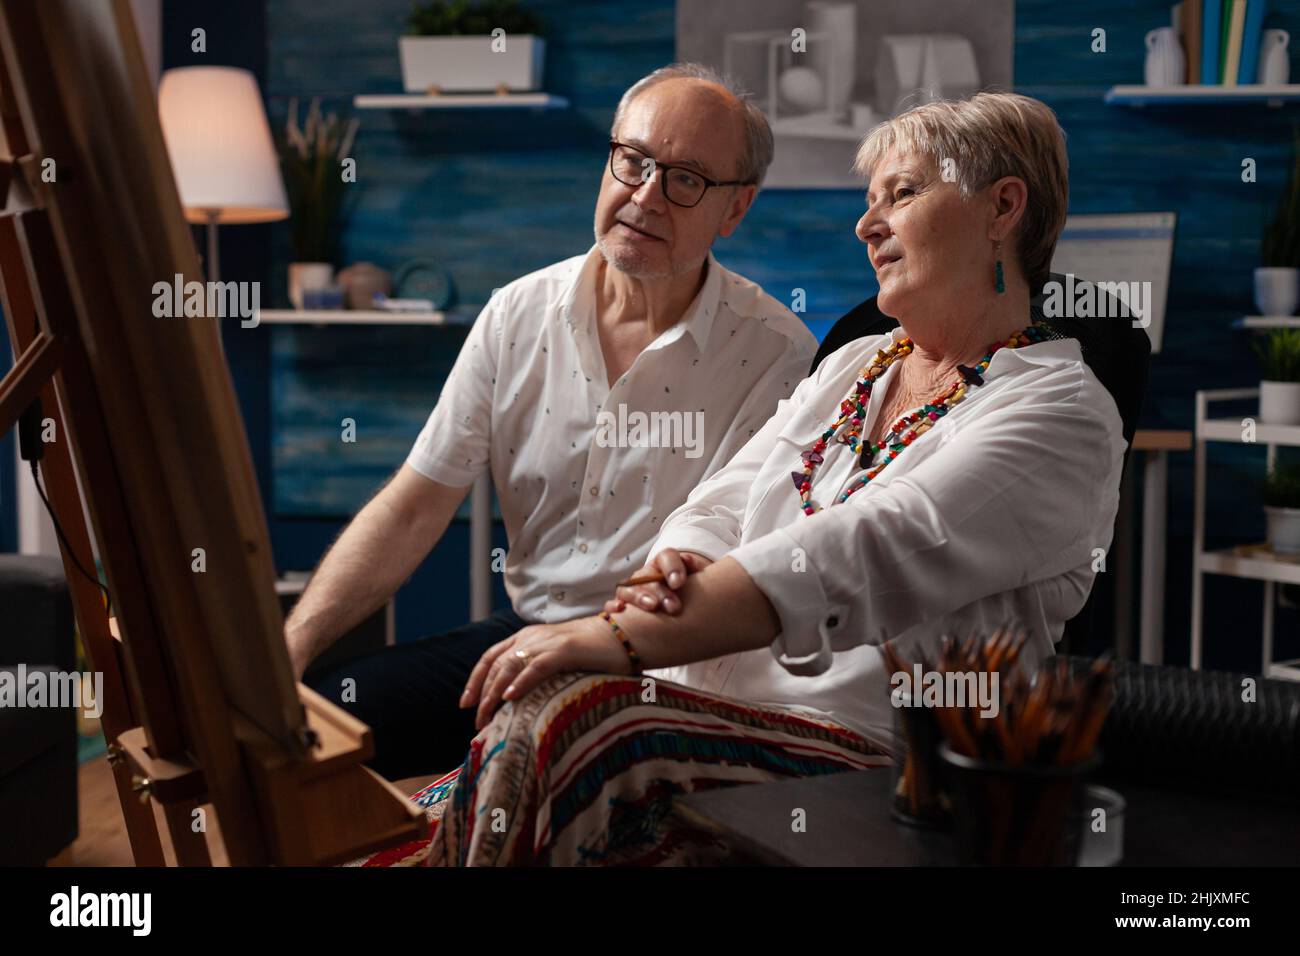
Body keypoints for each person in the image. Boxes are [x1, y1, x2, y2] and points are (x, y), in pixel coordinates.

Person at [425, 91, 1129, 866]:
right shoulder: (857, 364)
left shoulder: (1062, 412)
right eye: (870, 202)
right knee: (515, 733)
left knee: (571, 721)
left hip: (874, 757)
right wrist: (677, 560)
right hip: (711, 712)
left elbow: (863, 547)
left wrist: (614, 636)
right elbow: (724, 499)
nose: (868, 225)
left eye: (902, 193)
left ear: (1002, 207)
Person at [289, 63, 816, 780]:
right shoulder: (517, 313)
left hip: (665, 666)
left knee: (527, 770)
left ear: (735, 210)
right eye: (632, 161)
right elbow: (414, 508)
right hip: (526, 636)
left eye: (685, 178)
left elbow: (735, 563)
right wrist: (290, 648)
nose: (646, 196)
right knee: (316, 726)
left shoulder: (776, 353)